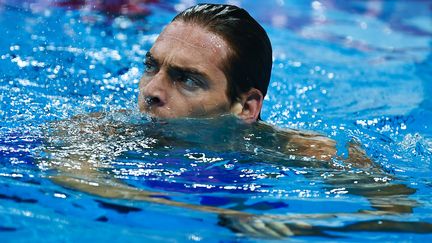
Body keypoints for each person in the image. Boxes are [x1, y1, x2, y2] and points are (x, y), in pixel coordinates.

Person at [44, 3, 428, 239]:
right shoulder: (101, 131)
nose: (153, 90)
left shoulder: (295, 149)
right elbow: (77, 177)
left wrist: (310, 227)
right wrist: (212, 214)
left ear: (246, 108)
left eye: (186, 78)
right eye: (151, 66)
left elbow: (397, 210)